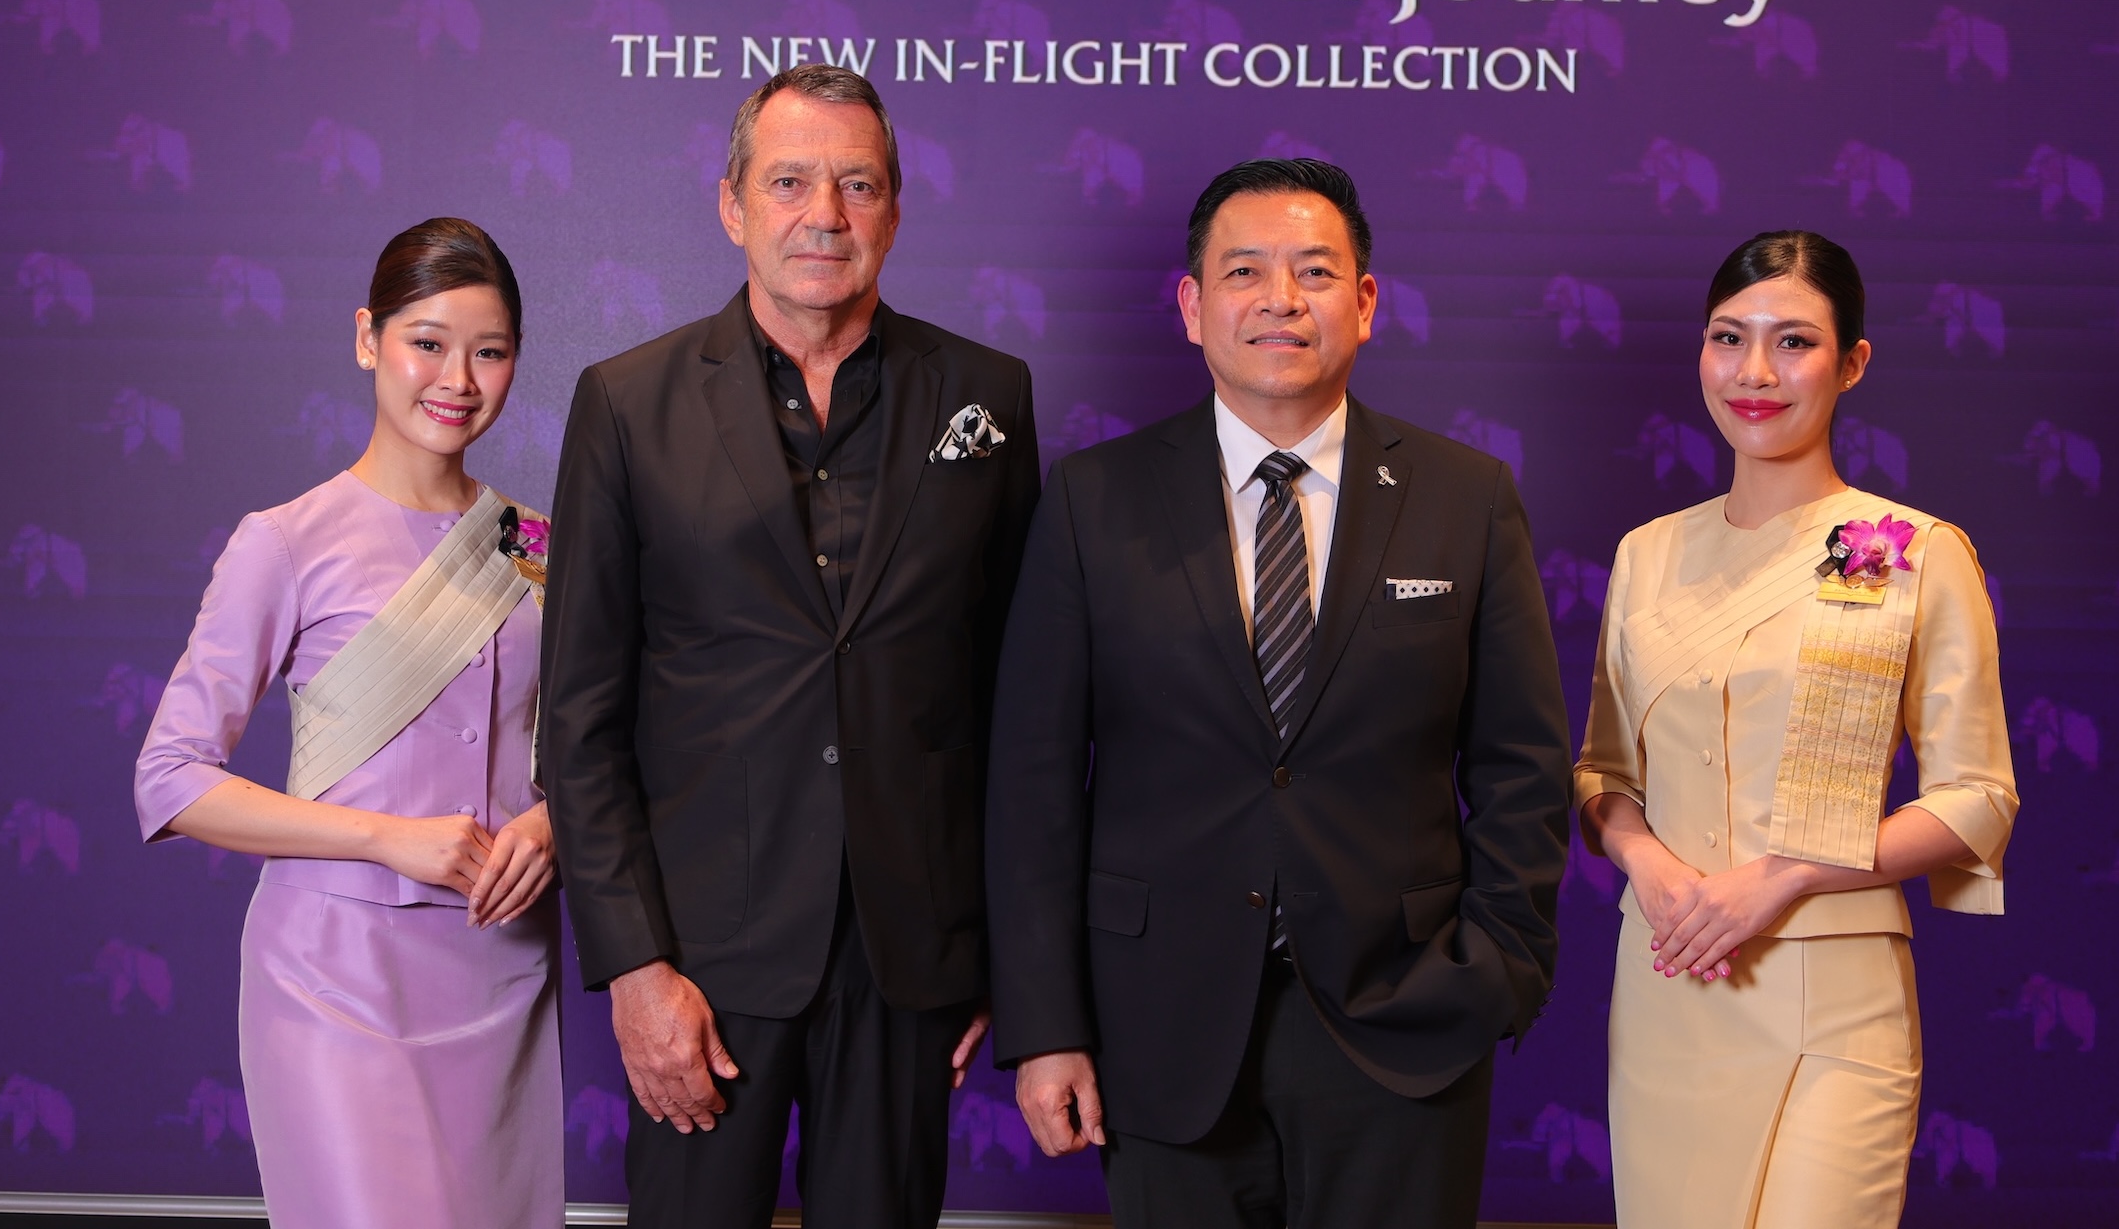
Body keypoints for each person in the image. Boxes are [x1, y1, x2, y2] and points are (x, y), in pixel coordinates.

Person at [985, 158, 1570, 1229]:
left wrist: (1497, 967)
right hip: (1154, 1025)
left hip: (1406, 1024)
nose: (1280, 299)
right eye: (1244, 270)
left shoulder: (1464, 496)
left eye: (1314, 270)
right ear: (1191, 305)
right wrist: (1047, 1024)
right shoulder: (1093, 499)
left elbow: (1521, 765)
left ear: (1366, 301)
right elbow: (1032, 786)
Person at [540, 64, 1041, 1229]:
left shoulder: (987, 395)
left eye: (857, 184)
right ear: (731, 205)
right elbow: (578, 721)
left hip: (908, 958)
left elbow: (1019, 708)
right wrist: (635, 969)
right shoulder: (626, 402)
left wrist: (1001, 954)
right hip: (699, 960)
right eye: (788, 181)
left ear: (894, 210)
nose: (825, 213)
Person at [1574, 230, 2019, 1229]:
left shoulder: (1910, 549)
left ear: (1851, 362)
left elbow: (1977, 797)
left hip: (1831, 991)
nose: (1755, 373)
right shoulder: (1646, 553)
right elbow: (1602, 771)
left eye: (1794, 342)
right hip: (1669, 973)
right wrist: (1645, 861)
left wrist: (1780, 875)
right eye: (1728, 338)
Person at [132, 218, 561, 1228]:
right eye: (427, 342)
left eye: (489, 351)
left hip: (500, 963)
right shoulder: (283, 540)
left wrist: (555, 822)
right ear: (368, 338)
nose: (457, 379)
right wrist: (385, 837)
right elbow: (170, 777)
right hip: (334, 973)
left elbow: (590, 748)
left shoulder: (533, 541)